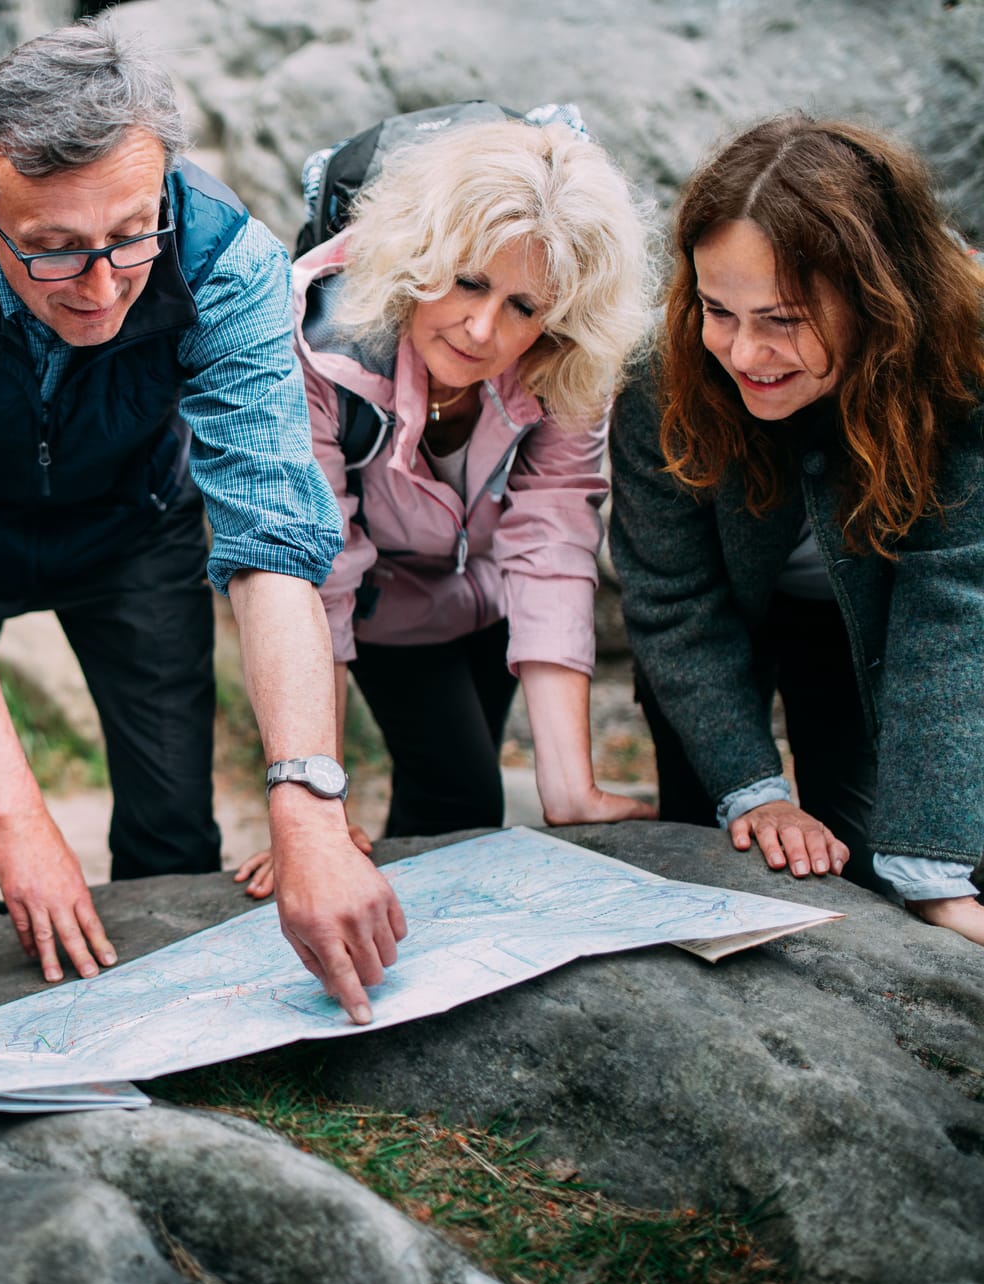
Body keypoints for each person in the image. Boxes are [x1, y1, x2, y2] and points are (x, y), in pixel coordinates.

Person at [0, 19, 406, 1078]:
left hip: (133, 526)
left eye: (128, 235)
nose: (103, 283)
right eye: (55, 246)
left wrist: (307, 804)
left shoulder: (222, 253)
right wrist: (16, 819)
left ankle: (186, 1069)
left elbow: (272, 537)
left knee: (168, 826)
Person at [233, 114, 657, 896]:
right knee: (463, 789)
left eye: (525, 306)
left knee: (454, 796)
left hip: (492, 593)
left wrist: (571, 790)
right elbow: (314, 564)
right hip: (384, 600)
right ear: (420, 254)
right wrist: (313, 806)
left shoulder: (571, 357)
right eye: (467, 280)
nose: (482, 328)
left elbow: (556, 526)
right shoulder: (316, 342)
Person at [608, 113, 984, 945]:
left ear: (878, 295)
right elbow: (675, 604)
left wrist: (931, 864)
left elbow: (952, 599)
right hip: (716, 628)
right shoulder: (657, 383)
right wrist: (754, 789)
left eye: (783, 318)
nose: (744, 353)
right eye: (718, 310)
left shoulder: (961, 363)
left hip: (883, 619)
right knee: (720, 849)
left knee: (883, 859)